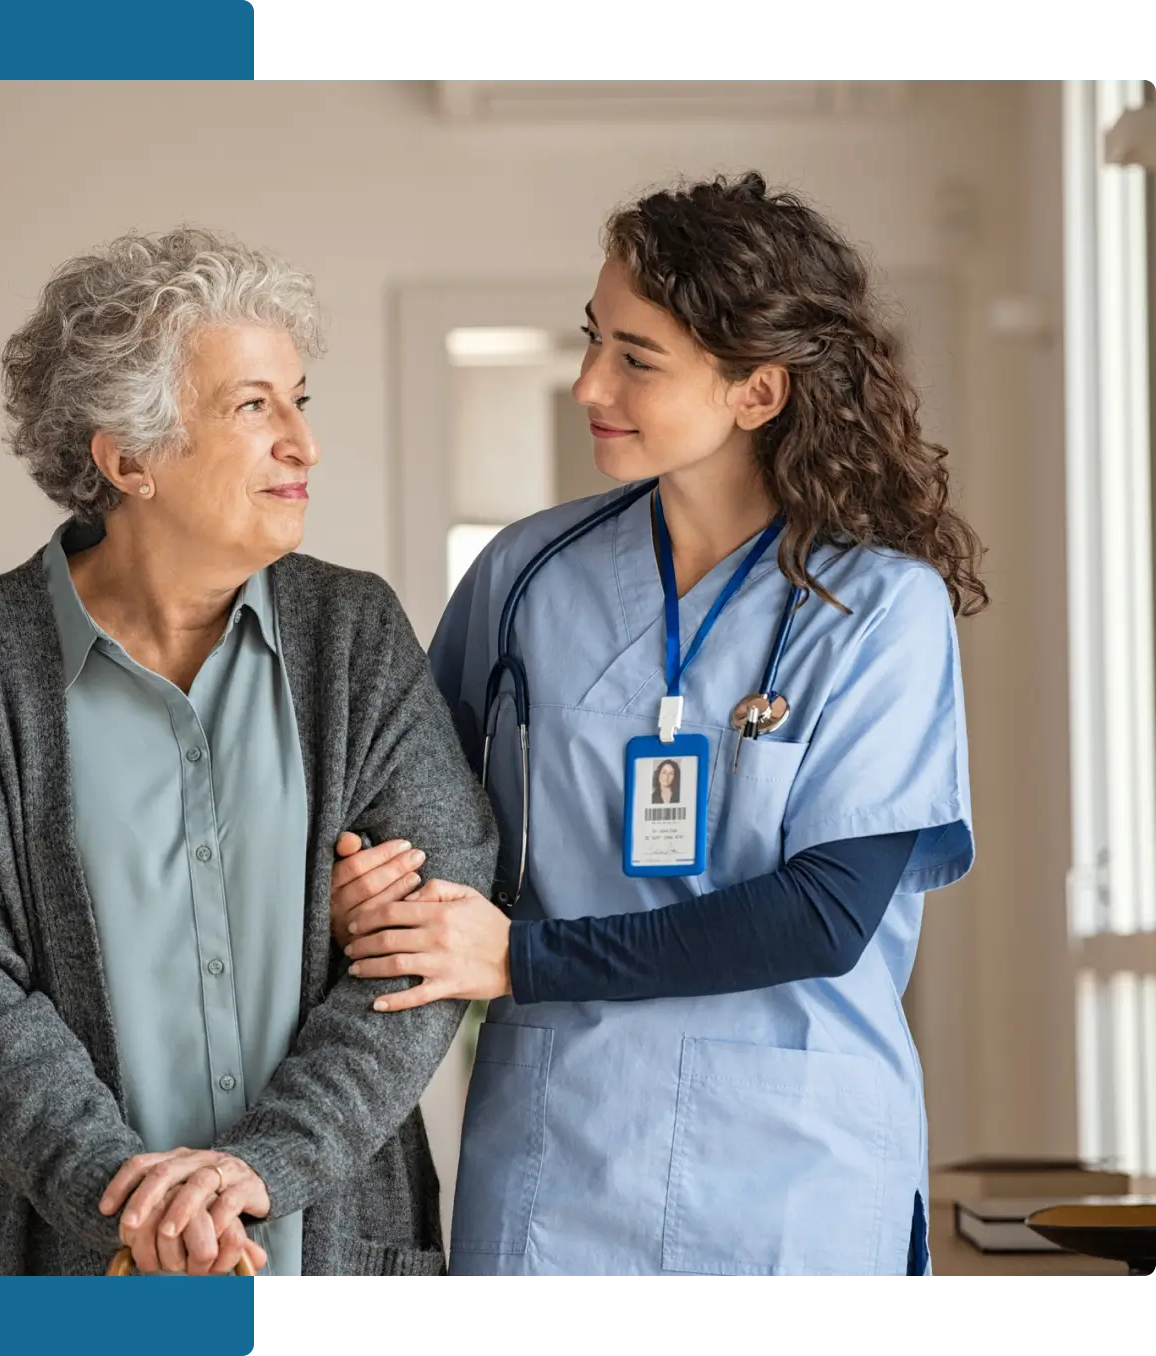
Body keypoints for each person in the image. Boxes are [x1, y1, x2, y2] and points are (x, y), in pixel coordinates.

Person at [331, 172, 981, 1282]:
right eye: (594, 340)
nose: (588, 381)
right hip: (559, 1156)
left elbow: (824, 916)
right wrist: (374, 884)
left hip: (793, 1168)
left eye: (637, 358)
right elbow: (417, 817)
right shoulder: (523, 577)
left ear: (756, 391)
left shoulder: (877, 609)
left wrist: (520, 960)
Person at [0, 228, 497, 1277]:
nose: (303, 443)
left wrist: (262, 1168)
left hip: (329, 1262)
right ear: (128, 459)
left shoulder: (355, 635)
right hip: (58, 1261)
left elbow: (430, 939)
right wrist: (129, 1202)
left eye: (301, 400)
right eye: (254, 407)